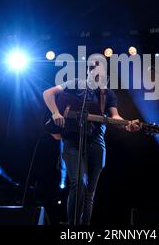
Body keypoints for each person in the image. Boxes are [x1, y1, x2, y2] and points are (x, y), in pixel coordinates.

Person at [43, 62, 140, 225]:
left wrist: (127, 124)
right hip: (72, 140)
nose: (99, 76)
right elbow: (48, 93)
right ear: (88, 72)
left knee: (90, 191)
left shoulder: (107, 94)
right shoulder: (74, 84)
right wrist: (55, 112)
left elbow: (114, 117)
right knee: (78, 183)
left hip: (97, 140)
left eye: (102, 74)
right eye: (94, 72)